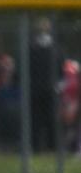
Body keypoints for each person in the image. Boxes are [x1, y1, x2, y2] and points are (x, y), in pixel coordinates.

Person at [29, 18, 59, 152]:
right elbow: (61, 67)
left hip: (36, 87)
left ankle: (37, 146)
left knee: (37, 119)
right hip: (49, 87)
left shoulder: (32, 48)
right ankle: (52, 146)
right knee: (49, 118)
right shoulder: (54, 49)